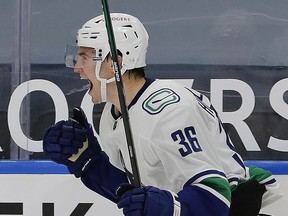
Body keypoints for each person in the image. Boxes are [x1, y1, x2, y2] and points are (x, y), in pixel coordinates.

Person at [43, 13, 282, 216]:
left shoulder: (171, 110)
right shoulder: (113, 112)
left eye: (85, 57)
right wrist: (89, 162)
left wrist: (171, 208)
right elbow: (132, 194)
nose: (76, 67)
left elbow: (214, 193)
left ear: (115, 62)